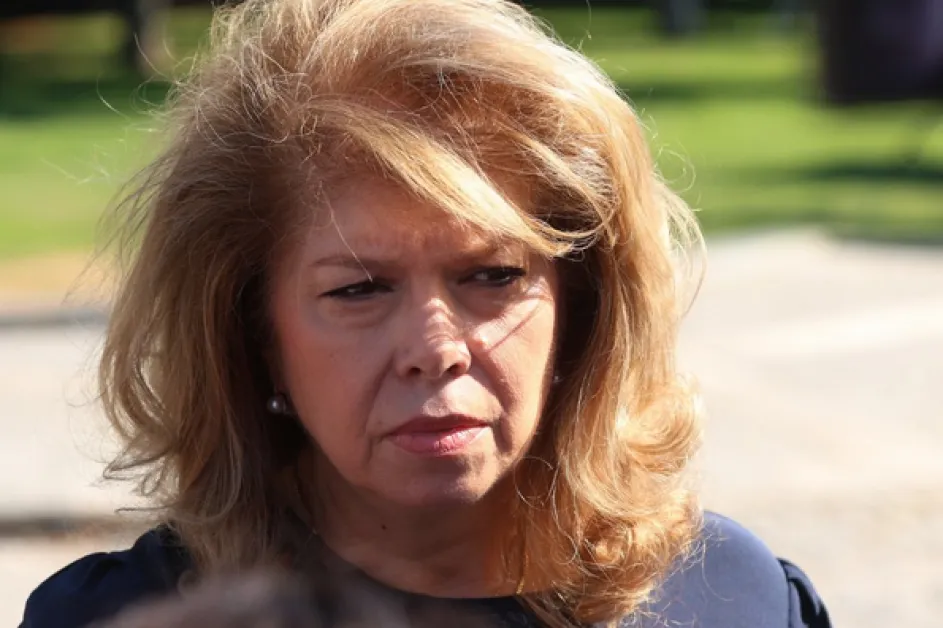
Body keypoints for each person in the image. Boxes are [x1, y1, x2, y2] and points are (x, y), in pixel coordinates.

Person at [20, 1, 832, 626]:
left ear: (578, 309)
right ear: (254, 336)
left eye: (493, 275)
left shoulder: (732, 600)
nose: (435, 347)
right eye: (359, 289)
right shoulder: (123, 617)